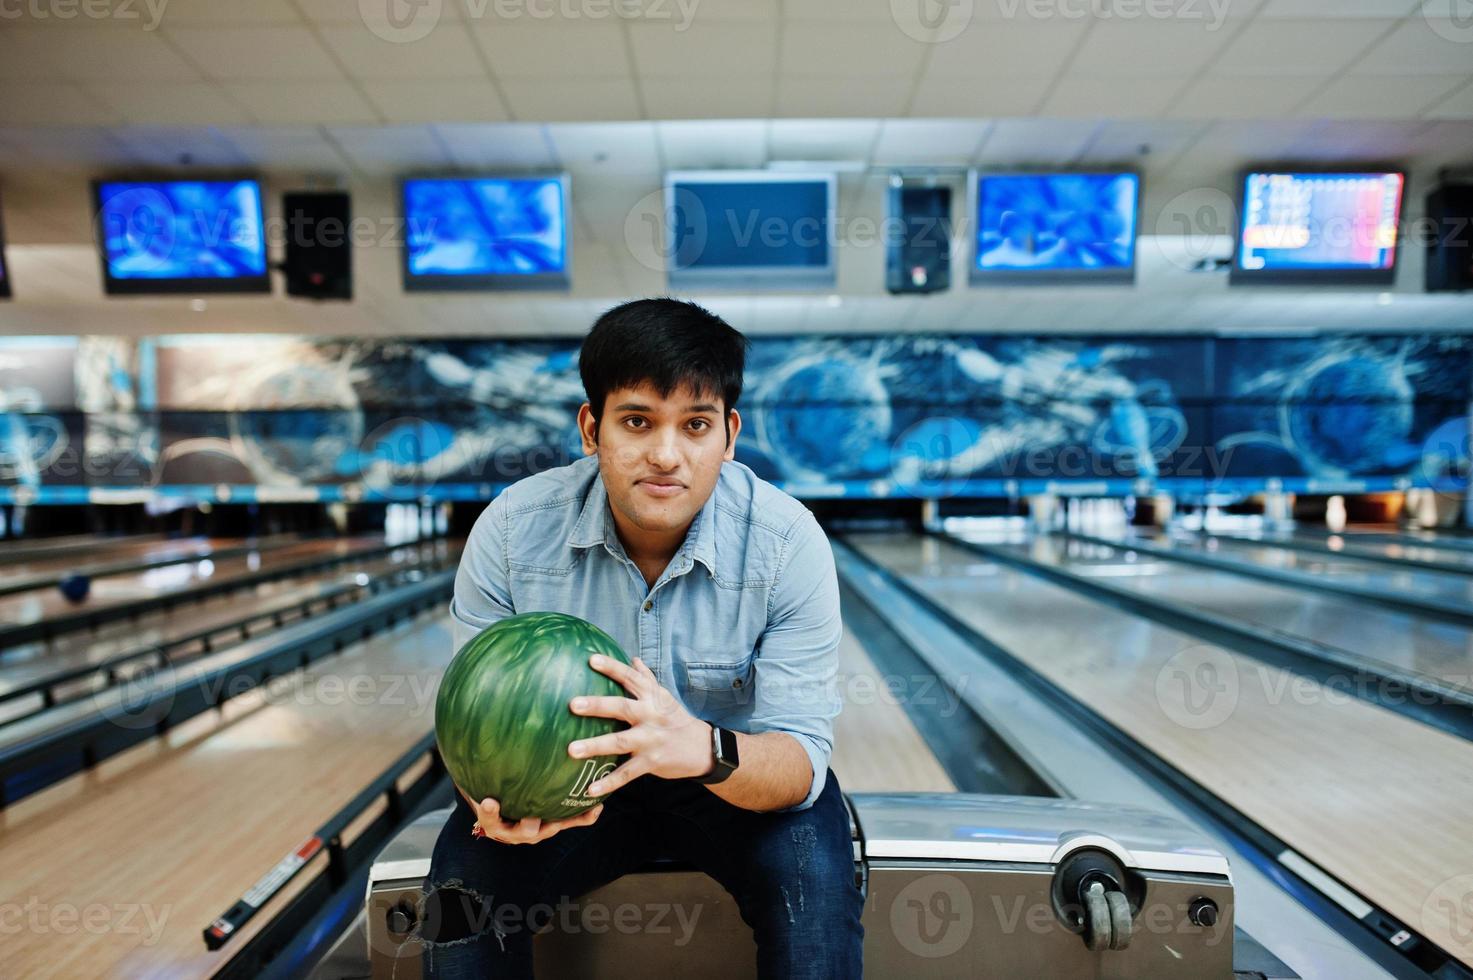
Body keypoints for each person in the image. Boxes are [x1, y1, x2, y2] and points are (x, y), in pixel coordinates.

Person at [420, 298, 863, 978]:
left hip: (731, 778)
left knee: (816, 900)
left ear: (729, 434)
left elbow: (799, 764)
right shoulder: (512, 530)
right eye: (636, 421)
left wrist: (700, 747)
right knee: (459, 900)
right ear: (591, 429)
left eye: (694, 425)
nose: (665, 455)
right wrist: (494, 801)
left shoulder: (785, 542)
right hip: (573, 790)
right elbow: (469, 724)